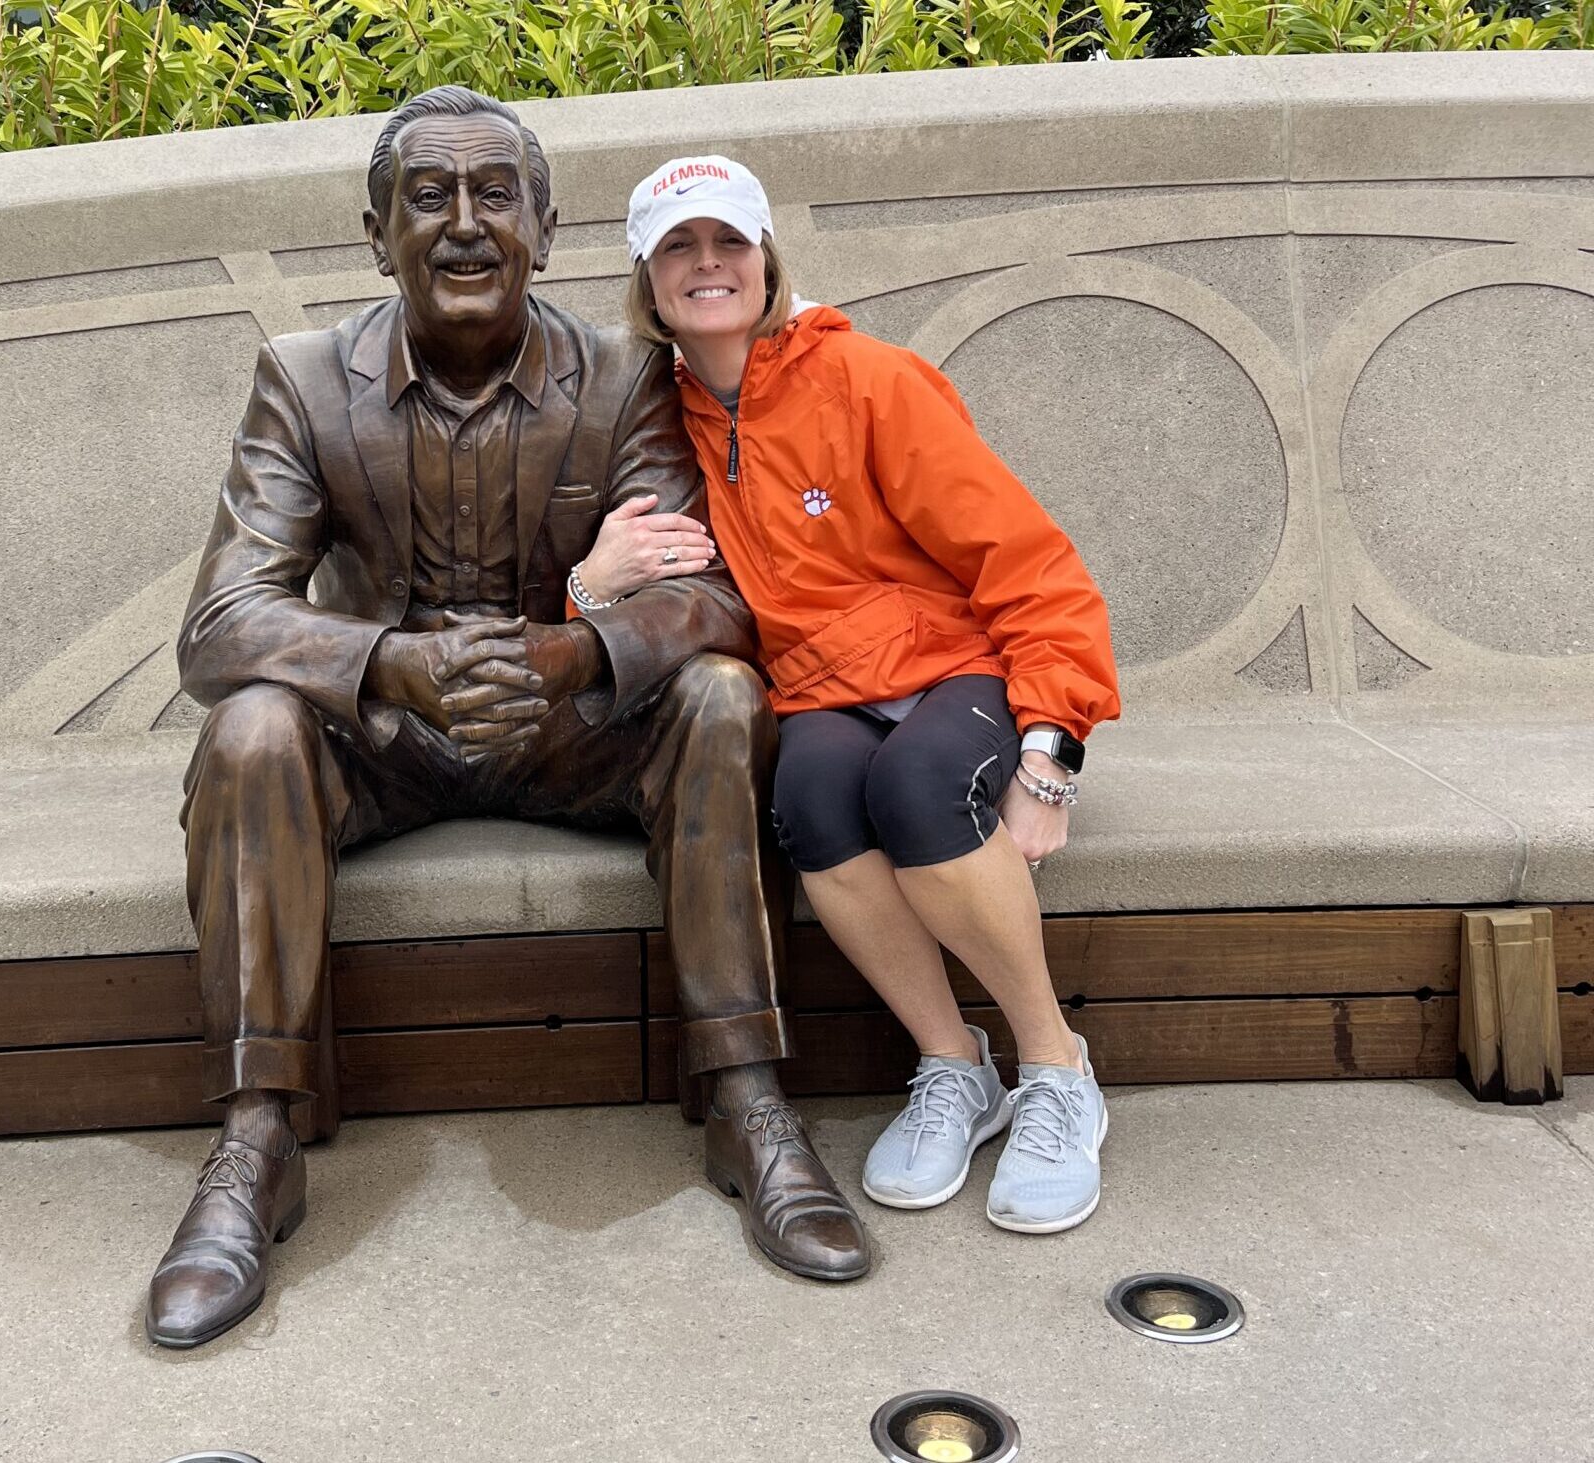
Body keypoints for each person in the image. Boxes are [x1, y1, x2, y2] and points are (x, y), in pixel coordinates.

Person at [151, 96, 871, 1350]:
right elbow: (221, 623)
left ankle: (748, 1100)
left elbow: (712, 596)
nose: (467, 224)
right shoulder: (307, 380)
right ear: (378, 234)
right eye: (430, 197)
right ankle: (256, 1134)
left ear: (546, 226)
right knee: (253, 727)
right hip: (389, 742)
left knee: (718, 692)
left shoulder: (624, 382)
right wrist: (390, 662)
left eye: (498, 196)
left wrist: (573, 646)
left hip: (567, 725)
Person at [571, 155, 1122, 1234]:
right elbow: (593, 587)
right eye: (679, 247)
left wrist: (1049, 756)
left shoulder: (871, 379)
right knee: (813, 795)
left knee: (918, 787)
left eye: (729, 241)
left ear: (766, 257)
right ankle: (954, 1066)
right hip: (817, 688)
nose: (708, 264)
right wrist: (594, 579)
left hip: (952, 667)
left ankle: (1055, 1065)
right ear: (648, 281)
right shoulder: (649, 426)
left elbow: (1030, 566)